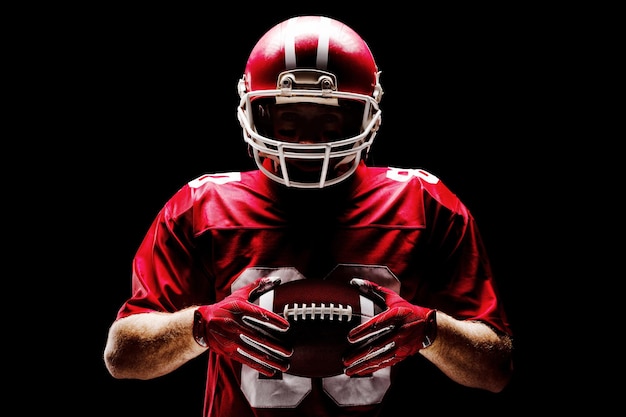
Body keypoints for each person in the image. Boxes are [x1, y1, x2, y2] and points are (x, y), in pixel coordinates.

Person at [103, 15, 514, 417]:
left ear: (366, 116)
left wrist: (431, 331)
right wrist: (200, 326)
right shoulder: (202, 204)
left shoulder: (424, 202)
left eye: (330, 119)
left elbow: (495, 370)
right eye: (288, 118)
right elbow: (123, 356)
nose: (307, 140)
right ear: (257, 112)